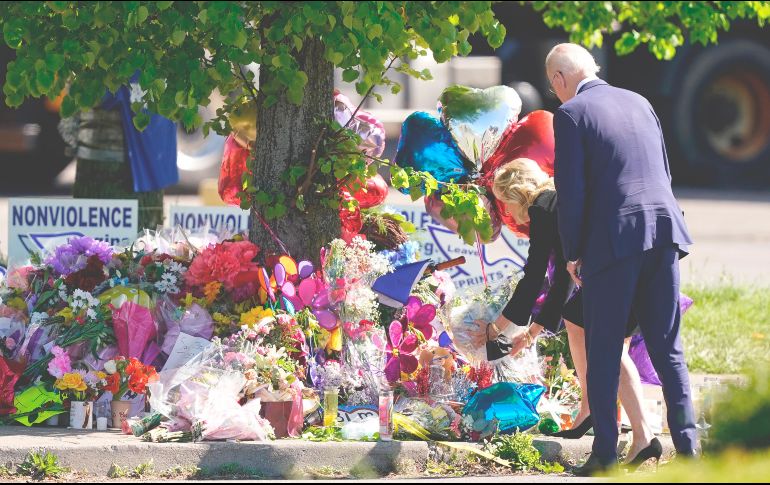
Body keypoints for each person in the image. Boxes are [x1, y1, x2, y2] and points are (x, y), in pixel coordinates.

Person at [546, 43, 698, 476]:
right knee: (670, 349)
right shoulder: (640, 101)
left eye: (553, 86)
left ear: (560, 79)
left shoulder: (572, 114)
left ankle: (605, 454)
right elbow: (662, 172)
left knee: (604, 347)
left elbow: (572, 194)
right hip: (663, 232)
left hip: (613, 243)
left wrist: (573, 252)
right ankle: (688, 451)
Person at [478, 158, 660, 470]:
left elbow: (535, 276)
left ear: (516, 194)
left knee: (611, 345)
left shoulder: (541, 207)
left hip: (620, 266)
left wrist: (496, 327)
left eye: (505, 202)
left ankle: (644, 436)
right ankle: (590, 408)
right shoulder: (557, 199)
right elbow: (562, 278)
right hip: (632, 259)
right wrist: (533, 331)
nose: (506, 211)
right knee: (575, 317)